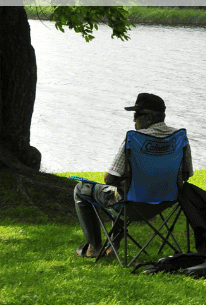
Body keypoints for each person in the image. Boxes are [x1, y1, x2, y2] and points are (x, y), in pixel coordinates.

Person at [73, 92, 193, 259]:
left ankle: (94, 247)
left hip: (132, 205)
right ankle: (113, 245)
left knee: (81, 189)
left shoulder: (135, 139)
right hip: (166, 202)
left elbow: (109, 179)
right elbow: (187, 174)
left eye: (136, 115)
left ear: (149, 118)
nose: (134, 120)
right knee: (127, 191)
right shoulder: (179, 137)